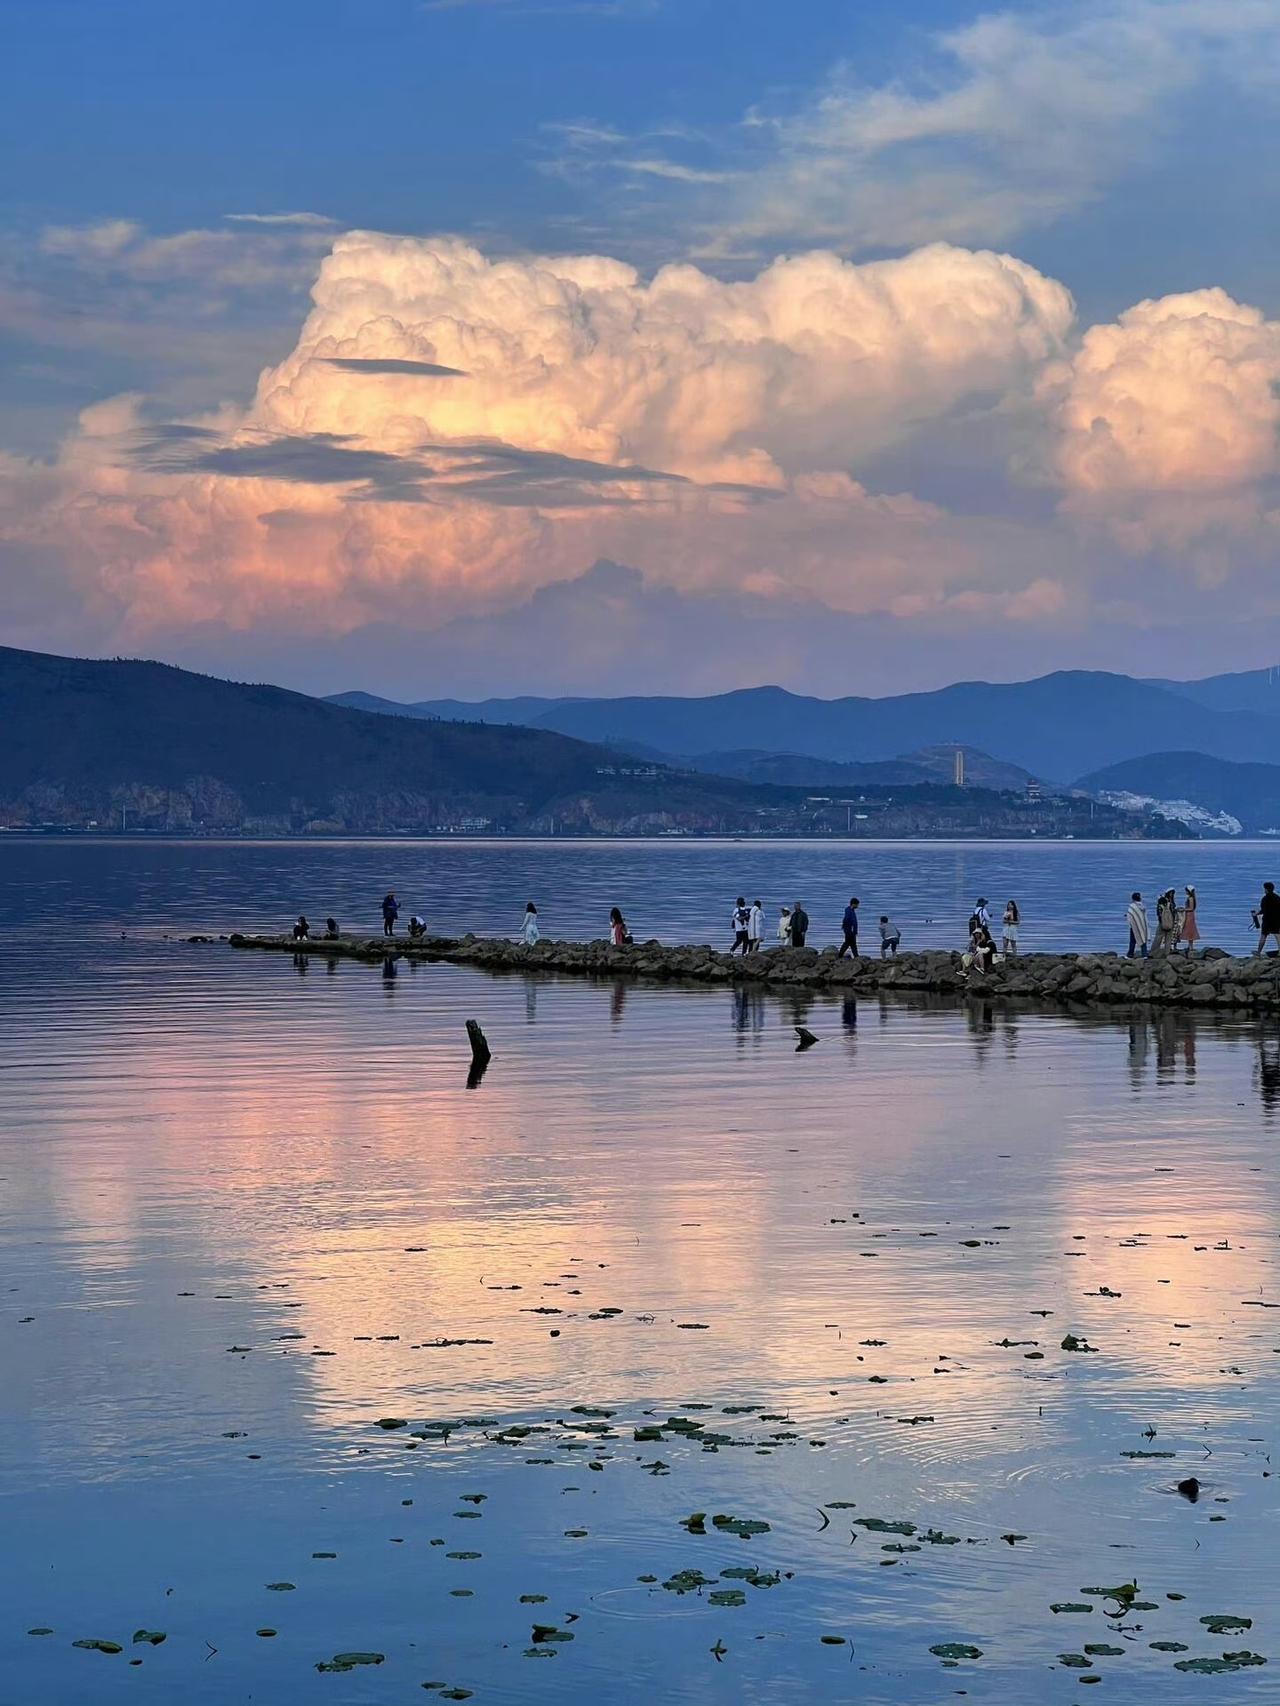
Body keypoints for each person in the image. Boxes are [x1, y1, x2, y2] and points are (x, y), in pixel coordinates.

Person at [1254, 881, 1280, 954]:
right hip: (1276, 920)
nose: (1264, 890)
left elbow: (1263, 910)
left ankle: (1258, 952)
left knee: (1263, 935)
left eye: (1264, 889)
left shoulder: (1265, 899)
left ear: (1266, 889)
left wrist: (1256, 914)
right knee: (1278, 935)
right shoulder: (1277, 897)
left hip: (1267, 920)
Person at [1153, 889, 1178, 956]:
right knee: (1168, 938)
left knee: (1158, 937)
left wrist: (1160, 920)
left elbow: (1158, 912)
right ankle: (1167, 952)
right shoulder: (1170, 902)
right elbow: (1173, 911)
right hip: (1170, 922)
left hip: (1162, 922)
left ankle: (1154, 952)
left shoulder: (1161, 901)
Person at [1126, 891, 1149, 959]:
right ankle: (1144, 954)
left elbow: (1130, 916)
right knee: (1143, 939)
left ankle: (1130, 955)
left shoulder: (1132, 906)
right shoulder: (1142, 906)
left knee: (1132, 941)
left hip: (1134, 926)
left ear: (1133, 898)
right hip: (1142, 926)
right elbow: (1143, 917)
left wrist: (1130, 923)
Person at [1178, 885, 1199, 954]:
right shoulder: (1191, 898)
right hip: (1189, 914)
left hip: (1190, 915)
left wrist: (1183, 909)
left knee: (1190, 929)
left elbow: (1191, 908)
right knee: (1189, 929)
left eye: (1186, 891)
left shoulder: (1190, 898)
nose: (1185, 892)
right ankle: (1190, 946)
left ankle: (1191, 946)